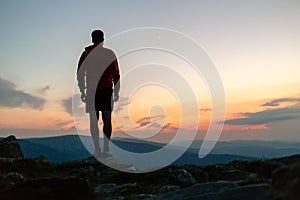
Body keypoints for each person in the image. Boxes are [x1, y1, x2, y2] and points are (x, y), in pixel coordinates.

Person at [77, 30, 120, 158]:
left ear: (92, 39)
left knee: (93, 120)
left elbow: (80, 73)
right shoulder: (109, 53)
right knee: (107, 119)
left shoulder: (86, 54)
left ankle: (97, 150)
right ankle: (106, 149)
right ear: (103, 39)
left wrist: (82, 89)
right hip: (106, 89)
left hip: (91, 90)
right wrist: (116, 91)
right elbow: (116, 74)